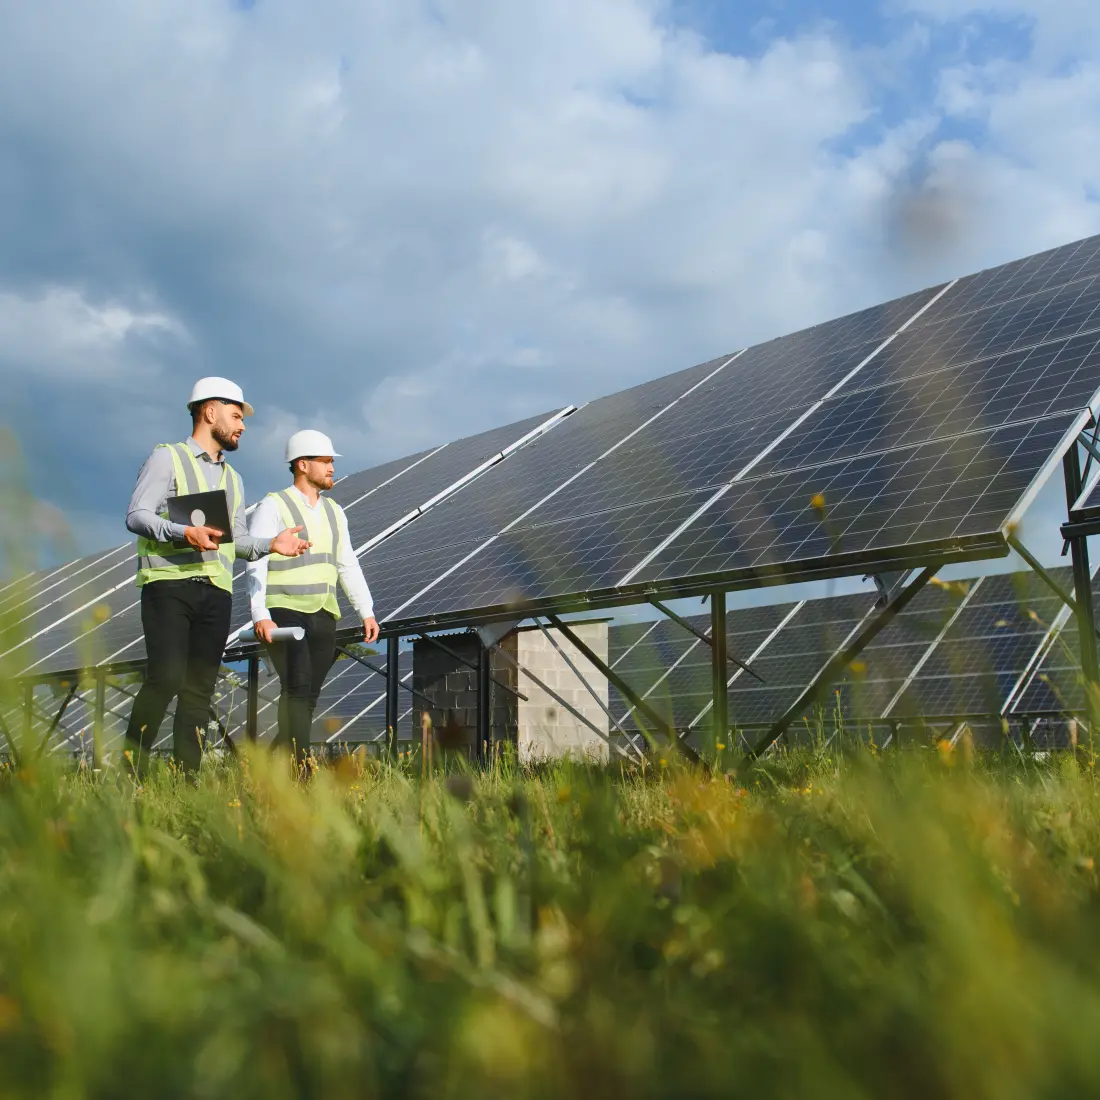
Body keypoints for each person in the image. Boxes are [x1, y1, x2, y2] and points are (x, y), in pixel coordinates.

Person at [124, 377, 309, 772]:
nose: (242, 426)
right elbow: (137, 515)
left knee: (199, 691)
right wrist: (183, 532)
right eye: (236, 415)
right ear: (210, 412)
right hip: (167, 586)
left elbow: (237, 540)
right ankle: (130, 771)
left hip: (216, 593)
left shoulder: (233, 479)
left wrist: (271, 544)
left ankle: (186, 780)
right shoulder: (167, 458)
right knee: (166, 678)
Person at [246, 430, 380, 766]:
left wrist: (366, 610)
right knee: (297, 687)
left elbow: (347, 562)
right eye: (326, 461)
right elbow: (256, 560)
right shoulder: (273, 505)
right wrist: (259, 613)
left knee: (307, 697)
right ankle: (301, 770)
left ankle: (272, 769)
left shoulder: (335, 511)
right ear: (303, 465)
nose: (332, 467)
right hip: (284, 612)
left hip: (324, 613)